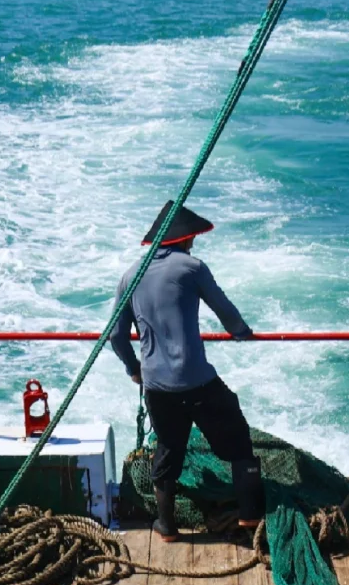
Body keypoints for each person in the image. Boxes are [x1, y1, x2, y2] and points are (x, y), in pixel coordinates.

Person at [109, 200, 265, 542]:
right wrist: (241, 332)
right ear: (182, 239)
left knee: (168, 447)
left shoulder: (129, 276)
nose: (193, 243)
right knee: (239, 443)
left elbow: (116, 335)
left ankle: (166, 527)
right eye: (191, 238)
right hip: (197, 381)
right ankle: (250, 517)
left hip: (157, 386)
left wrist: (134, 369)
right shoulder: (191, 268)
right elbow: (224, 309)